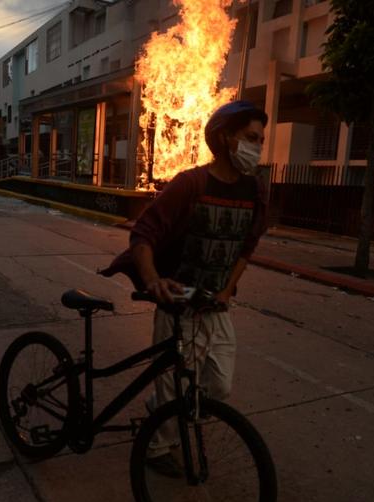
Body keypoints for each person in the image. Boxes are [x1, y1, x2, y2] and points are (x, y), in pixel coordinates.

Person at [100, 100, 268, 476]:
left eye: (260, 139)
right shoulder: (190, 184)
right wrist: (153, 280)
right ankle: (157, 447)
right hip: (178, 304)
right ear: (225, 138)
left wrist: (228, 289)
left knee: (219, 387)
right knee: (175, 386)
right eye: (250, 138)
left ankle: (162, 412)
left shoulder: (255, 192)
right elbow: (144, 234)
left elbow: (247, 245)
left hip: (216, 305)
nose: (257, 146)